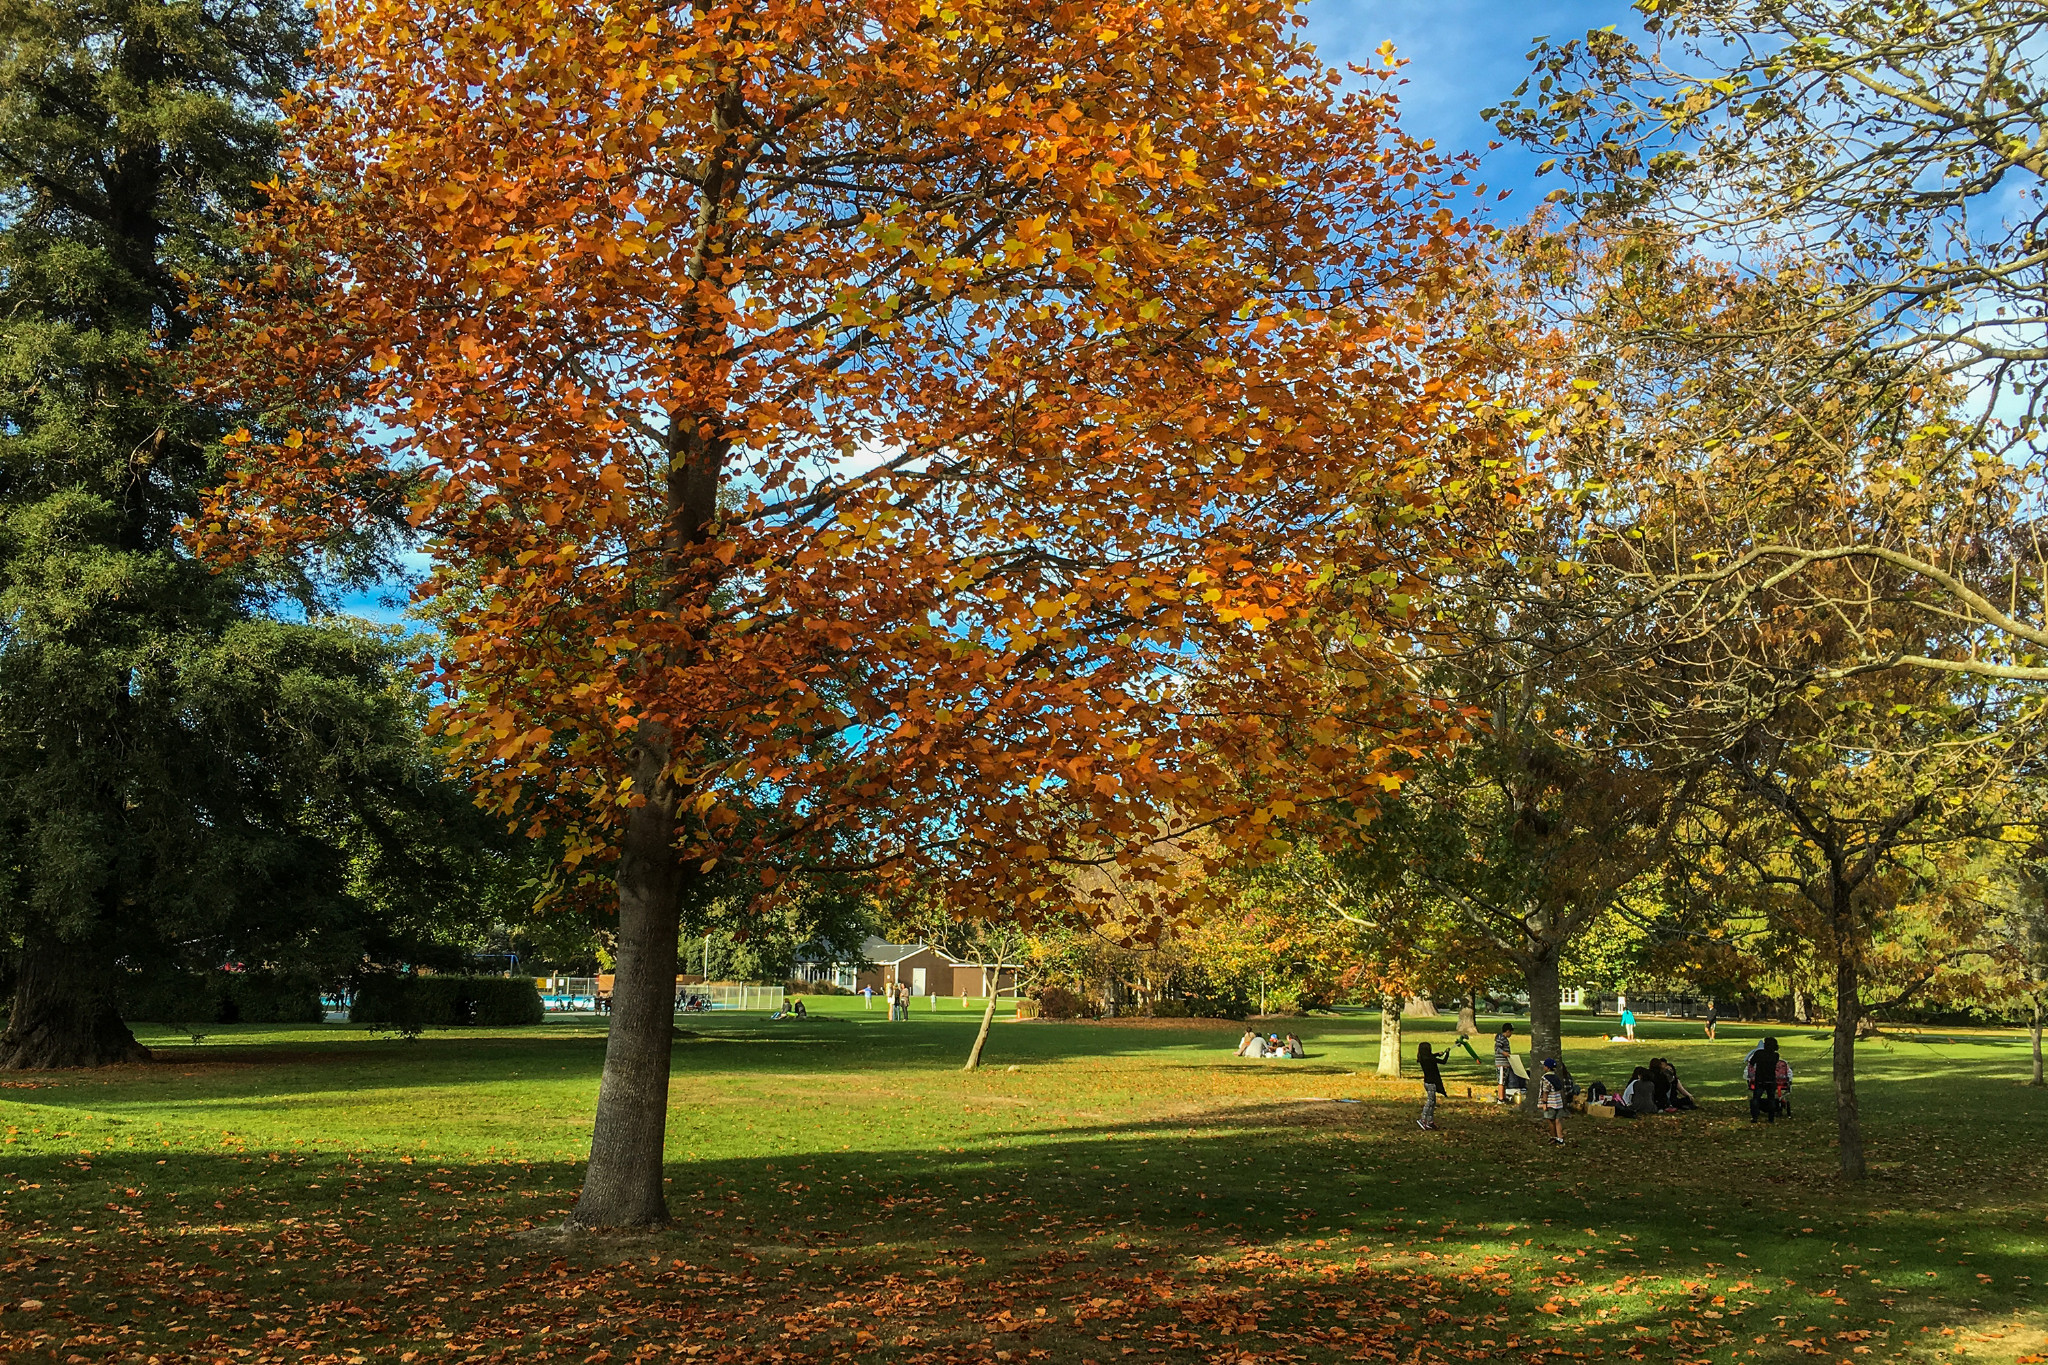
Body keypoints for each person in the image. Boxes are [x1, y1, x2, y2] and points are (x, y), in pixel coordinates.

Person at [1745, 1036, 1787, 1123]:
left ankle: (1755, 1117)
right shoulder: (1775, 1055)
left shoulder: (1759, 1053)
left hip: (1760, 1079)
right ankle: (1771, 1118)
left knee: (1756, 1098)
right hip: (1771, 1079)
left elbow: (1752, 1062)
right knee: (1771, 1098)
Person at [1416, 1040, 1452, 1130]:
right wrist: (1447, 1054)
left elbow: (1432, 1056)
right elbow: (1443, 1062)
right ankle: (1423, 1119)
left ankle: (1430, 1121)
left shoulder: (1423, 1058)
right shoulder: (1430, 1059)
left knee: (1433, 1102)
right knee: (1430, 1102)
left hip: (1427, 1082)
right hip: (1432, 1083)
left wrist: (1437, 1054)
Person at [1539, 1057, 1568, 1144]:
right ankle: (1560, 1138)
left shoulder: (1545, 1078)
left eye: (1544, 1066)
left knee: (1550, 1119)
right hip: (1558, 1102)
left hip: (1550, 1103)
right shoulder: (1556, 1077)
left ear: (1547, 1068)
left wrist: (1544, 1103)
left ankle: (1553, 1136)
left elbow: (1545, 1092)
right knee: (1558, 1120)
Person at [1493, 1023, 1515, 1103]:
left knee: (1504, 1081)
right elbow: (1497, 1048)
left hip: (1505, 1064)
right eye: (1511, 1032)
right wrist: (1504, 1053)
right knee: (1501, 1081)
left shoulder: (1505, 1039)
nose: (1511, 1034)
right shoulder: (1501, 1038)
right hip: (1501, 1064)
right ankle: (1500, 1098)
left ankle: (1504, 1096)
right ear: (1508, 1031)